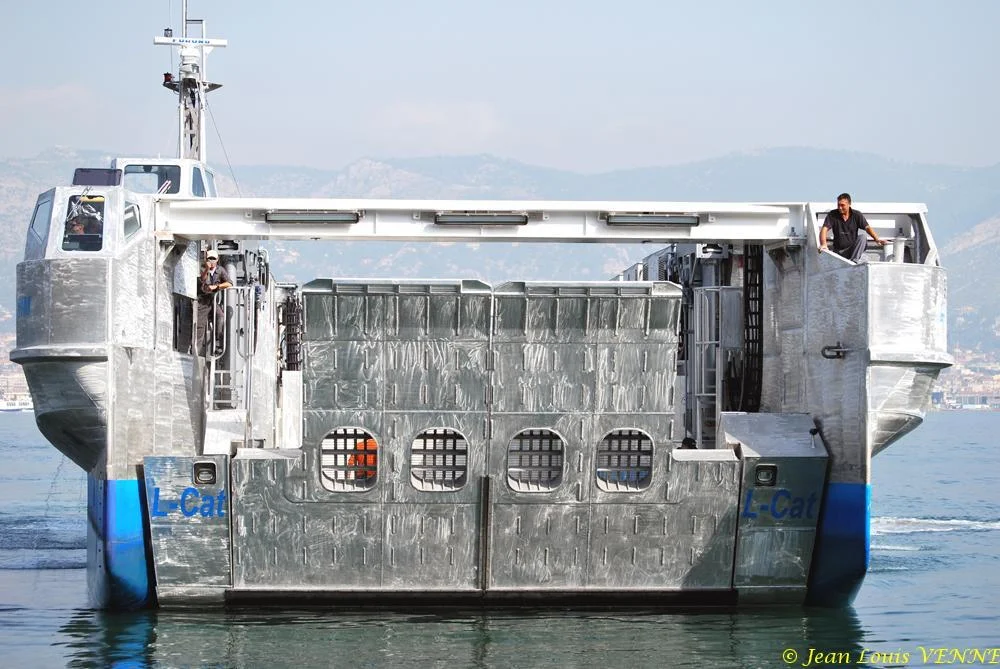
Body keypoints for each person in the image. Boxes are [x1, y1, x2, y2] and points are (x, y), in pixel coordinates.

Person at [819, 193, 886, 262]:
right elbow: (824, 229)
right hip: (838, 251)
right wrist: (823, 244)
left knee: (863, 237)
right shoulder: (832, 214)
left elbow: (867, 228)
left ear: (849, 204)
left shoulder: (856, 215)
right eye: (838, 205)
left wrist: (877, 239)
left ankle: (854, 261)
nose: (840, 208)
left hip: (852, 250)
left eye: (842, 205)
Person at [196, 249, 232, 356]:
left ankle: (217, 344)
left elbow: (229, 283)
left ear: (217, 259)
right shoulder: (202, 268)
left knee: (220, 316)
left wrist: (217, 286)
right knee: (200, 326)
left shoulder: (220, 270)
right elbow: (202, 280)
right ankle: (196, 350)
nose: (211, 261)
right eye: (209, 259)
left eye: (213, 259)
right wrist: (207, 269)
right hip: (202, 300)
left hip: (212, 299)